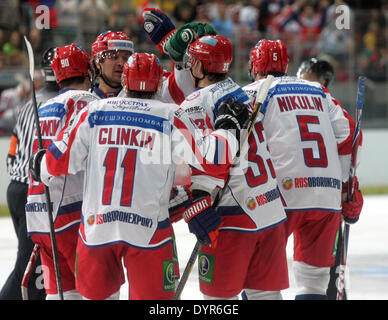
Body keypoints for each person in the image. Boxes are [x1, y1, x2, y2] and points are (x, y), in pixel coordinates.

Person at [29, 52, 248, 300]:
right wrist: (229, 128)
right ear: (157, 85)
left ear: (125, 82)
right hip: (149, 231)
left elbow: (57, 162)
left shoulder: (95, 111)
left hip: (97, 230)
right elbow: (213, 160)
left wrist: (40, 163)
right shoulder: (169, 115)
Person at [166, 33, 289, 300]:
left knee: (218, 301)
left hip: (233, 215)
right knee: (265, 296)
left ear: (200, 66)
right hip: (270, 208)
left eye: (193, 61)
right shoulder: (243, 92)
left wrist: (194, 201)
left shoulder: (195, 104)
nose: (189, 66)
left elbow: (208, 162)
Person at [243, 39, 364, 299]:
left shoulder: (253, 92)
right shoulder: (318, 91)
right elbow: (350, 136)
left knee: (259, 285)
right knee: (313, 283)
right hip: (326, 197)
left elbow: (238, 143)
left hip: (279, 196)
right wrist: (346, 188)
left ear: (254, 65)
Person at [25, 44, 97, 300]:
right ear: (88, 71)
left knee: (60, 293)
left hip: (37, 213)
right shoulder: (89, 103)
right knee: (96, 293)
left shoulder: (44, 106)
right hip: (71, 213)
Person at [0, 48, 59, 300]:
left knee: (32, 260)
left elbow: (13, 149)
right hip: (32, 192)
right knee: (31, 265)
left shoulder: (29, 103)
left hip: (16, 187)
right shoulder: (60, 104)